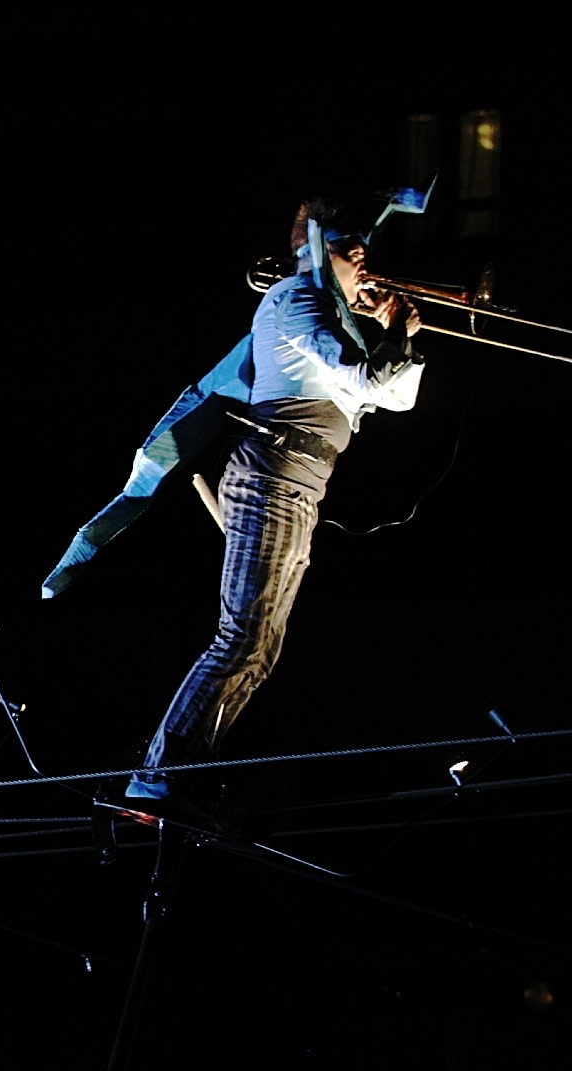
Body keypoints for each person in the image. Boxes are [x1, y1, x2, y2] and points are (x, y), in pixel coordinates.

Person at [127, 198, 424, 814]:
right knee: (240, 638)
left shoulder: (334, 323)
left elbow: (396, 399)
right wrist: (392, 333)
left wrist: (399, 337)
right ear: (316, 251)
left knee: (259, 651)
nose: (364, 264)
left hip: (297, 486)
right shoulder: (295, 299)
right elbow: (366, 380)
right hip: (271, 477)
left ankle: (183, 775)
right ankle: (157, 776)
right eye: (351, 252)